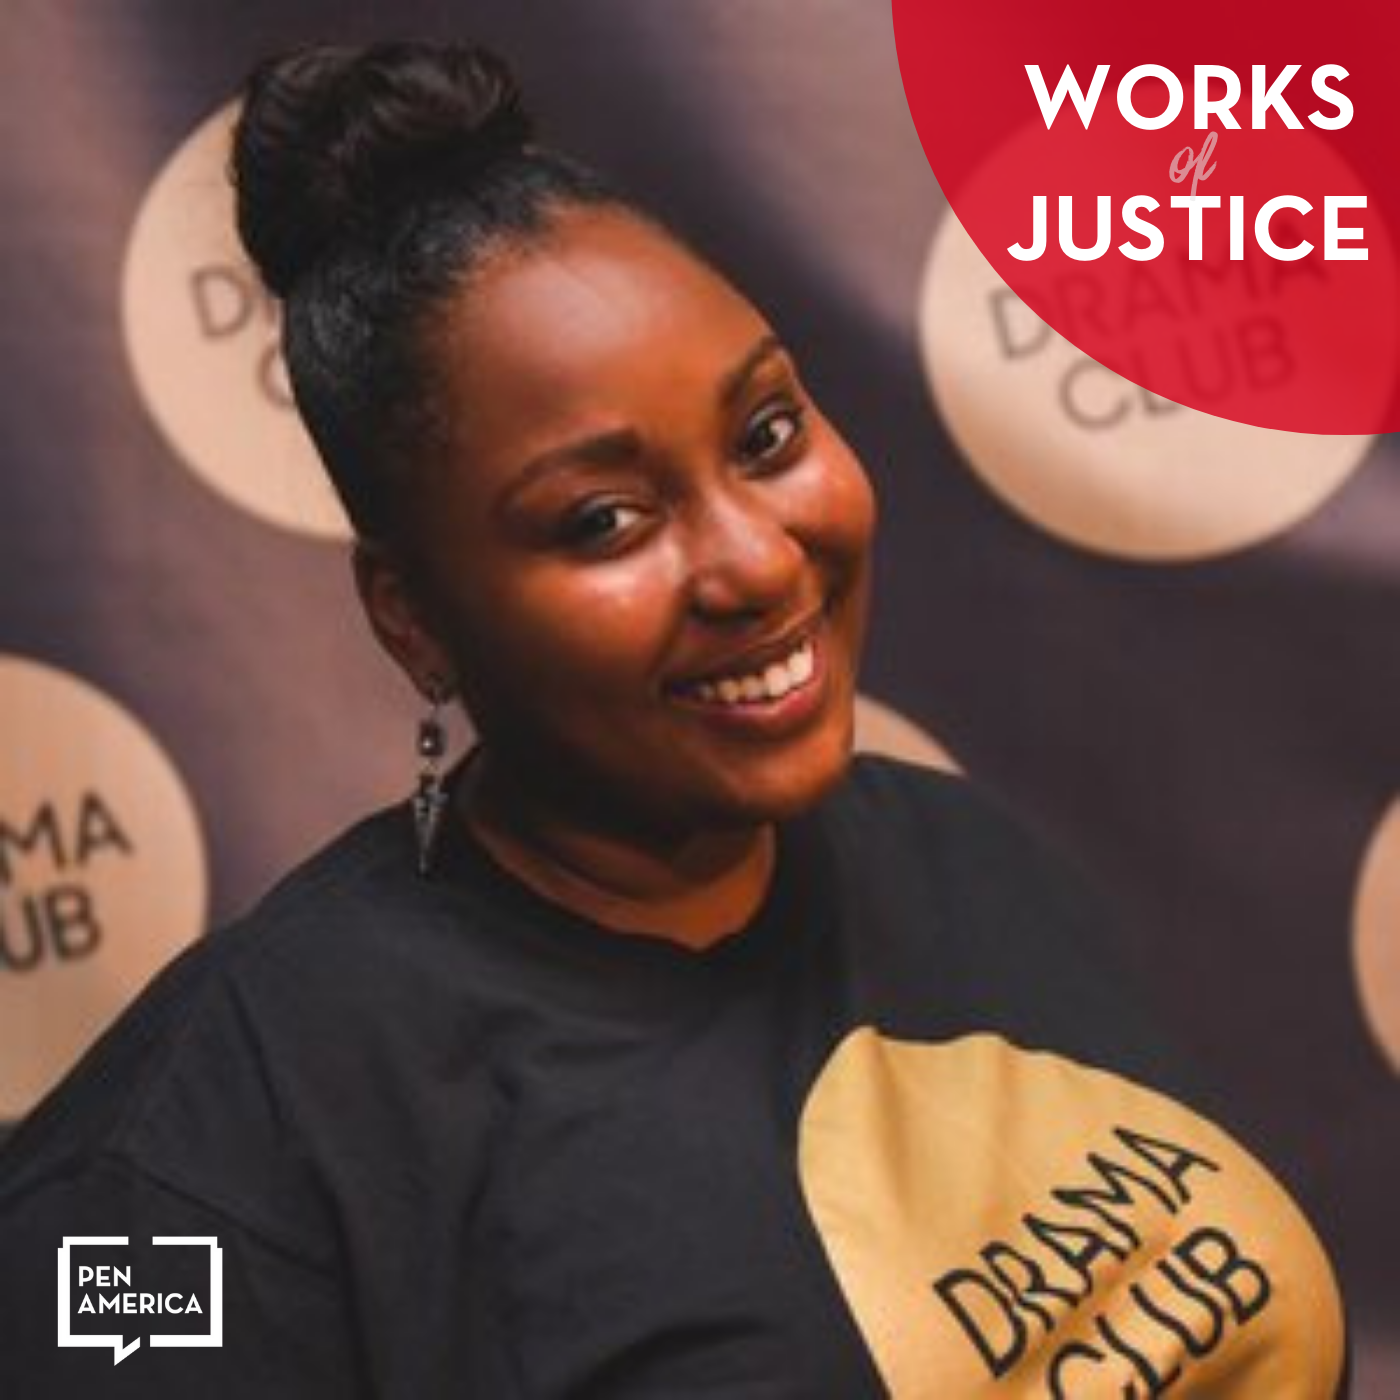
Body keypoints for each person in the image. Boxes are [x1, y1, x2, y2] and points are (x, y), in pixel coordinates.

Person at [0, 40, 1347, 1399]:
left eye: (766, 435)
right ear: (412, 617)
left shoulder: (960, 861)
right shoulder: (225, 1143)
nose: (756, 561)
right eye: (604, 521)